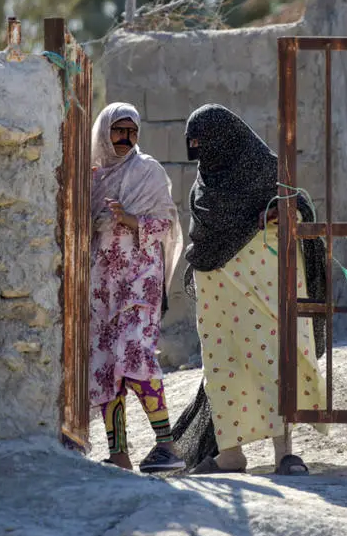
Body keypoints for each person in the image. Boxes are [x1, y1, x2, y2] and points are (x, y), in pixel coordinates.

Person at [169, 104, 330, 475]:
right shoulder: (204, 184)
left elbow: (299, 206)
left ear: (226, 139)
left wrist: (279, 212)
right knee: (222, 370)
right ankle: (231, 454)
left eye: (204, 143)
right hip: (217, 296)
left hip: (263, 289)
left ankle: (284, 453)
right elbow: (202, 237)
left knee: (273, 361)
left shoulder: (263, 169)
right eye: (193, 145)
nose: (199, 152)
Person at [89, 102, 185, 473]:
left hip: (139, 285)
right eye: (118, 130)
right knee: (105, 364)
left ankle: (167, 446)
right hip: (103, 287)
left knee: (135, 357)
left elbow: (167, 225)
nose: (126, 138)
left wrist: (130, 220)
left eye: (132, 132)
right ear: (104, 132)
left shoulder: (148, 171)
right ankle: (119, 454)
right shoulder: (93, 176)